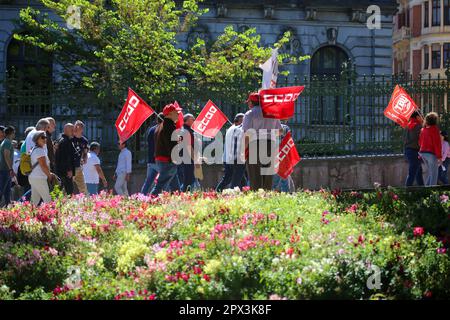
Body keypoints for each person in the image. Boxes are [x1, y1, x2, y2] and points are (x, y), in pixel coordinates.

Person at [242, 92, 281, 190]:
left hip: (255, 145)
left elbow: (247, 134)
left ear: (252, 102)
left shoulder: (250, 114)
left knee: (255, 175)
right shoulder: (272, 112)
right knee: (268, 175)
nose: (248, 104)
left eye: (249, 102)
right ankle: (266, 196)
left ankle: (257, 195)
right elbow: (280, 131)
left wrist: (243, 150)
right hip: (270, 145)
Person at [150, 103, 182, 196]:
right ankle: (148, 202)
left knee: (175, 188)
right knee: (159, 186)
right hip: (168, 161)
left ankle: (178, 205)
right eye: (176, 112)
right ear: (170, 114)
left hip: (162, 160)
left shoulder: (160, 126)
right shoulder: (170, 126)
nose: (178, 114)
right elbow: (171, 145)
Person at [216, 113, 246, 191]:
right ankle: (220, 192)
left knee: (234, 179)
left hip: (228, 158)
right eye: (244, 120)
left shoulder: (230, 129)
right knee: (233, 180)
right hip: (234, 158)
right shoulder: (238, 129)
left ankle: (217, 192)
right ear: (240, 121)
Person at [29, 131, 55, 206]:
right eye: (42, 137)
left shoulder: (34, 149)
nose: (45, 139)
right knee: (48, 200)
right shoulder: (40, 150)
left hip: (33, 177)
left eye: (45, 137)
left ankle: (29, 216)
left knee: (34, 201)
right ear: (37, 139)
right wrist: (49, 175)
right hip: (39, 178)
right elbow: (43, 165)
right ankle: (53, 216)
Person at [141, 113, 163, 195]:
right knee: (164, 182)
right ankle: (158, 197)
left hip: (151, 160)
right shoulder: (163, 130)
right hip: (161, 160)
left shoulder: (151, 130)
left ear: (157, 120)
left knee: (148, 182)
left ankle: (142, 197)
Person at [419, 112, 442, 186]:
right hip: (431, 154)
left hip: (422, 153)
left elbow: (420, 142)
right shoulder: (434, 130)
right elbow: (437, 144)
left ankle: (427, 191)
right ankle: (432, 194)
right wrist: (439, 157)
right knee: (434, 175)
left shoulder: (423, 130)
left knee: (431, 173)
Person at [404, 111, 425, 186]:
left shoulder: (409, 125)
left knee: (418, 172)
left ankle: (422, 190)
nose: (422, 117)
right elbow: (420, 138)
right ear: (417, 117)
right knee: (412, 173)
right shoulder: (418, 126)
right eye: (421, 115)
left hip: (408, 150)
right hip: (414, 151)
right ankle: (407, 192)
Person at [55, 123, 76, 195]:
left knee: (58, 191)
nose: (73, 132)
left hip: (59, 170)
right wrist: (69, 170)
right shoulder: (66, 141)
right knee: (69, 191)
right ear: (66, 130)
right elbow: (66, 157)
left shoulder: (60, 139)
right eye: (72, 130)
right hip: (65, 171)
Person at [272, 122, 292, 192]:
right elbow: (290, 142)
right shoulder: (286, 128)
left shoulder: (270, 127)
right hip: (284, 155)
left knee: (274, 178)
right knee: (284, 176)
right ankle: (285, 194)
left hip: (274, 155)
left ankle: (270, 194)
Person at [180, 113, 197, 192]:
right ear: (186, 121)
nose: (194, 120)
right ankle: (185, 194)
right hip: (187, 158)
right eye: (192, 119)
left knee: (189, 178)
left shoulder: (187, 130)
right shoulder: (185, 130)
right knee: (188, 178)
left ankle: (186, 193)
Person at [0, 126, 16, 207]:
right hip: (5, 170)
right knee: (3, 190)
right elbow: (6, 155)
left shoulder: (5, 141)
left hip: (5, 170)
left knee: (6, 191)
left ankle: (7, 208)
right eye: (14, 132)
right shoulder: (7, 142)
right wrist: (10, 169)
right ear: (11, 133)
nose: (14, 134)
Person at [72, 120, 88, 194]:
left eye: (78, 126)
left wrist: (85, 158)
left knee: (83, 188)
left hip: (78, 167)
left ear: (82, 129)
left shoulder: (84, 140)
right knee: (67, 186)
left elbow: (85, 152)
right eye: (75, 126)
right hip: (70, 166)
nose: (75, 128)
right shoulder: (70, 138)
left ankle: (86, 203)